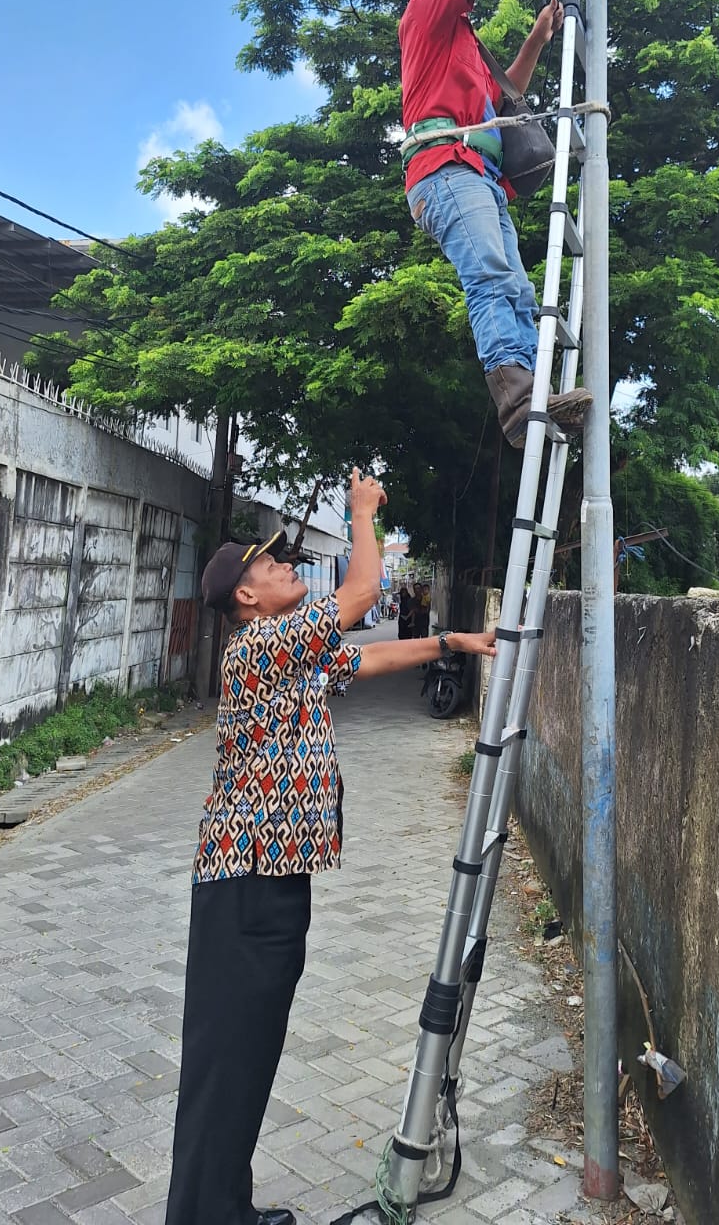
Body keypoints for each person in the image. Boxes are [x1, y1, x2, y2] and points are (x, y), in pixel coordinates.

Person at [164, 472, 495, 1225]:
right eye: (272, 565)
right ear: (247, 596)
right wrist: (361, 514)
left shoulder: (289, 654)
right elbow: (359, 600)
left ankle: (224, 1209)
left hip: (270, 884)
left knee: (246, 1058)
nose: (286, 567)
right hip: (245, 886)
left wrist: (454, 641)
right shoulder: (258, 648)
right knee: (226, 1061)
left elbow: (365, 658)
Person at [399, 0, 593, 450]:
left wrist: (537, 36)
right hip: (445, 170)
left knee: (516, 285)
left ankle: (530, 393)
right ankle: (516, 400)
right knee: (491, 274)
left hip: (476, 175)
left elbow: (507, 95)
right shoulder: (428, 11)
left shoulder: (462, 41)